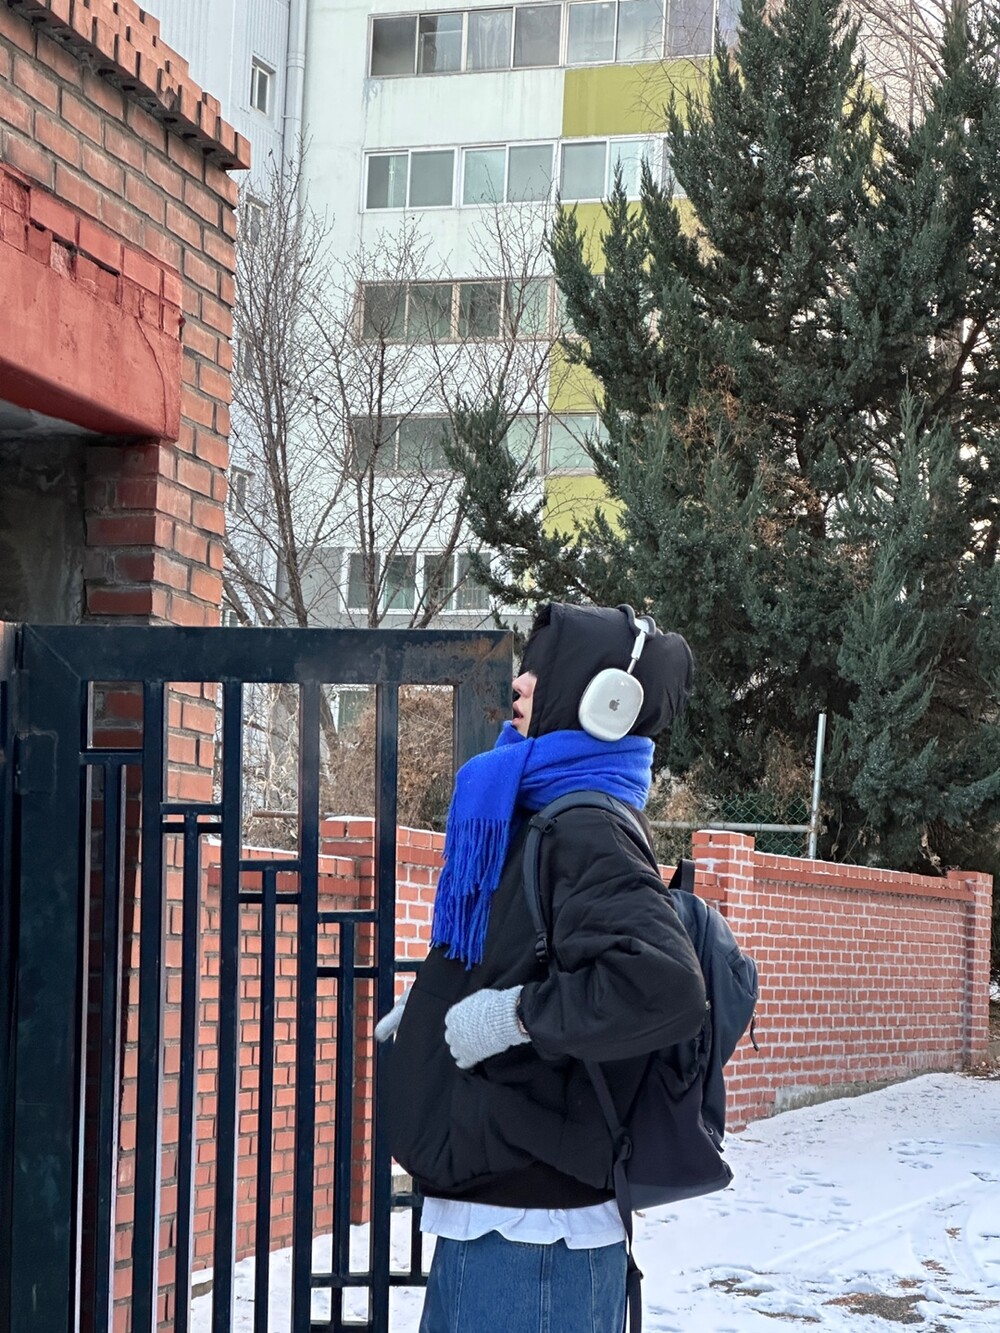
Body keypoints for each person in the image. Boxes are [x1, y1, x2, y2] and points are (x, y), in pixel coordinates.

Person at [376, 602, 706, 1333]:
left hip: (537, 1240)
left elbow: (664, 985)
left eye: (542, 669)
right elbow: (535, 947)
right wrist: (438, 1002)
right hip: (500, 1215)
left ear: (602, 698)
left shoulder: (586, 824)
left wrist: (514, 1017)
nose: (520, 683)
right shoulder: (543, 807)